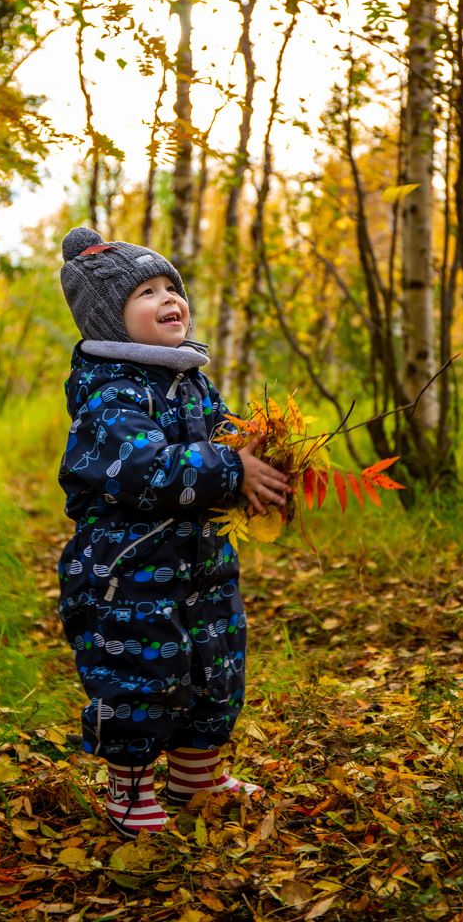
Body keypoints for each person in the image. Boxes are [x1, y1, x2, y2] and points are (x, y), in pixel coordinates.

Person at [57, 227, 290, 836]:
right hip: (128, 571)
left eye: (172, 287)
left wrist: (256, 455)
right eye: (148, 291)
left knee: (216, 665)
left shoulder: (189, 379)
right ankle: (129, 788)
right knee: (142, 675)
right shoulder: (110, 394)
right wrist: (232, 468)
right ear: (110, 318)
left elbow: (217, 443)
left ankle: (197, 771)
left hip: (203, 563)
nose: (171, 299)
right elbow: (147, 470)